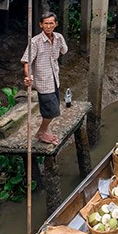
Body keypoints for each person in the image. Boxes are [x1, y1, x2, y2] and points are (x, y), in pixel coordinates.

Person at [21, 12, 68, 145]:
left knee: (52, 109)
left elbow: (64, 51)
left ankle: (44, 130)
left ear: (55, 24)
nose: (48, 26)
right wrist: (28, 76)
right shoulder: (35, 41)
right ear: (41, 25)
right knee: (52, 111)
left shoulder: (58, 38)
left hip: (54, 79)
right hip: (43, 81)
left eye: (51, 23)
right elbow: (27, 62)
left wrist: (57, 47)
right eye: (46, 23)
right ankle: (41, 133)